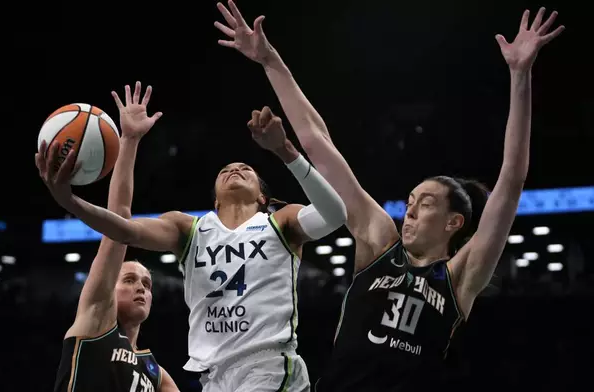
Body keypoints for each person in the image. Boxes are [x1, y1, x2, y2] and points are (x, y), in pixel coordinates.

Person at [215, 2, 564, 390]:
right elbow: (318, 143)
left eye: (425, 204)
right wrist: (269, 60)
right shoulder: (379, 241)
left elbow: (512, 180)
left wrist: (520, 75)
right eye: (411, 202)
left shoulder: (460, 277)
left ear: (454, 222)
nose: (410, 213)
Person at [37, 93, 348, 390]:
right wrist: (71, 202)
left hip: (267, 367)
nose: (236, 169)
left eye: (246, 169)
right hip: (214, 376)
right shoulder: (188, 229)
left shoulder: (281, 222)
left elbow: (334, 214)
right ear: (214, 200)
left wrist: (285, 151)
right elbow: (123, 229)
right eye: (227, 169)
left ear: (263, 197)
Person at [44, 82, 179, 392]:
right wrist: (129, 140)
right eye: (129, 280)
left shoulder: (153, 371)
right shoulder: (96, 323)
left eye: (146, 283)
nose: (141, 289)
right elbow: (120, 215)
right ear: (107, 286)